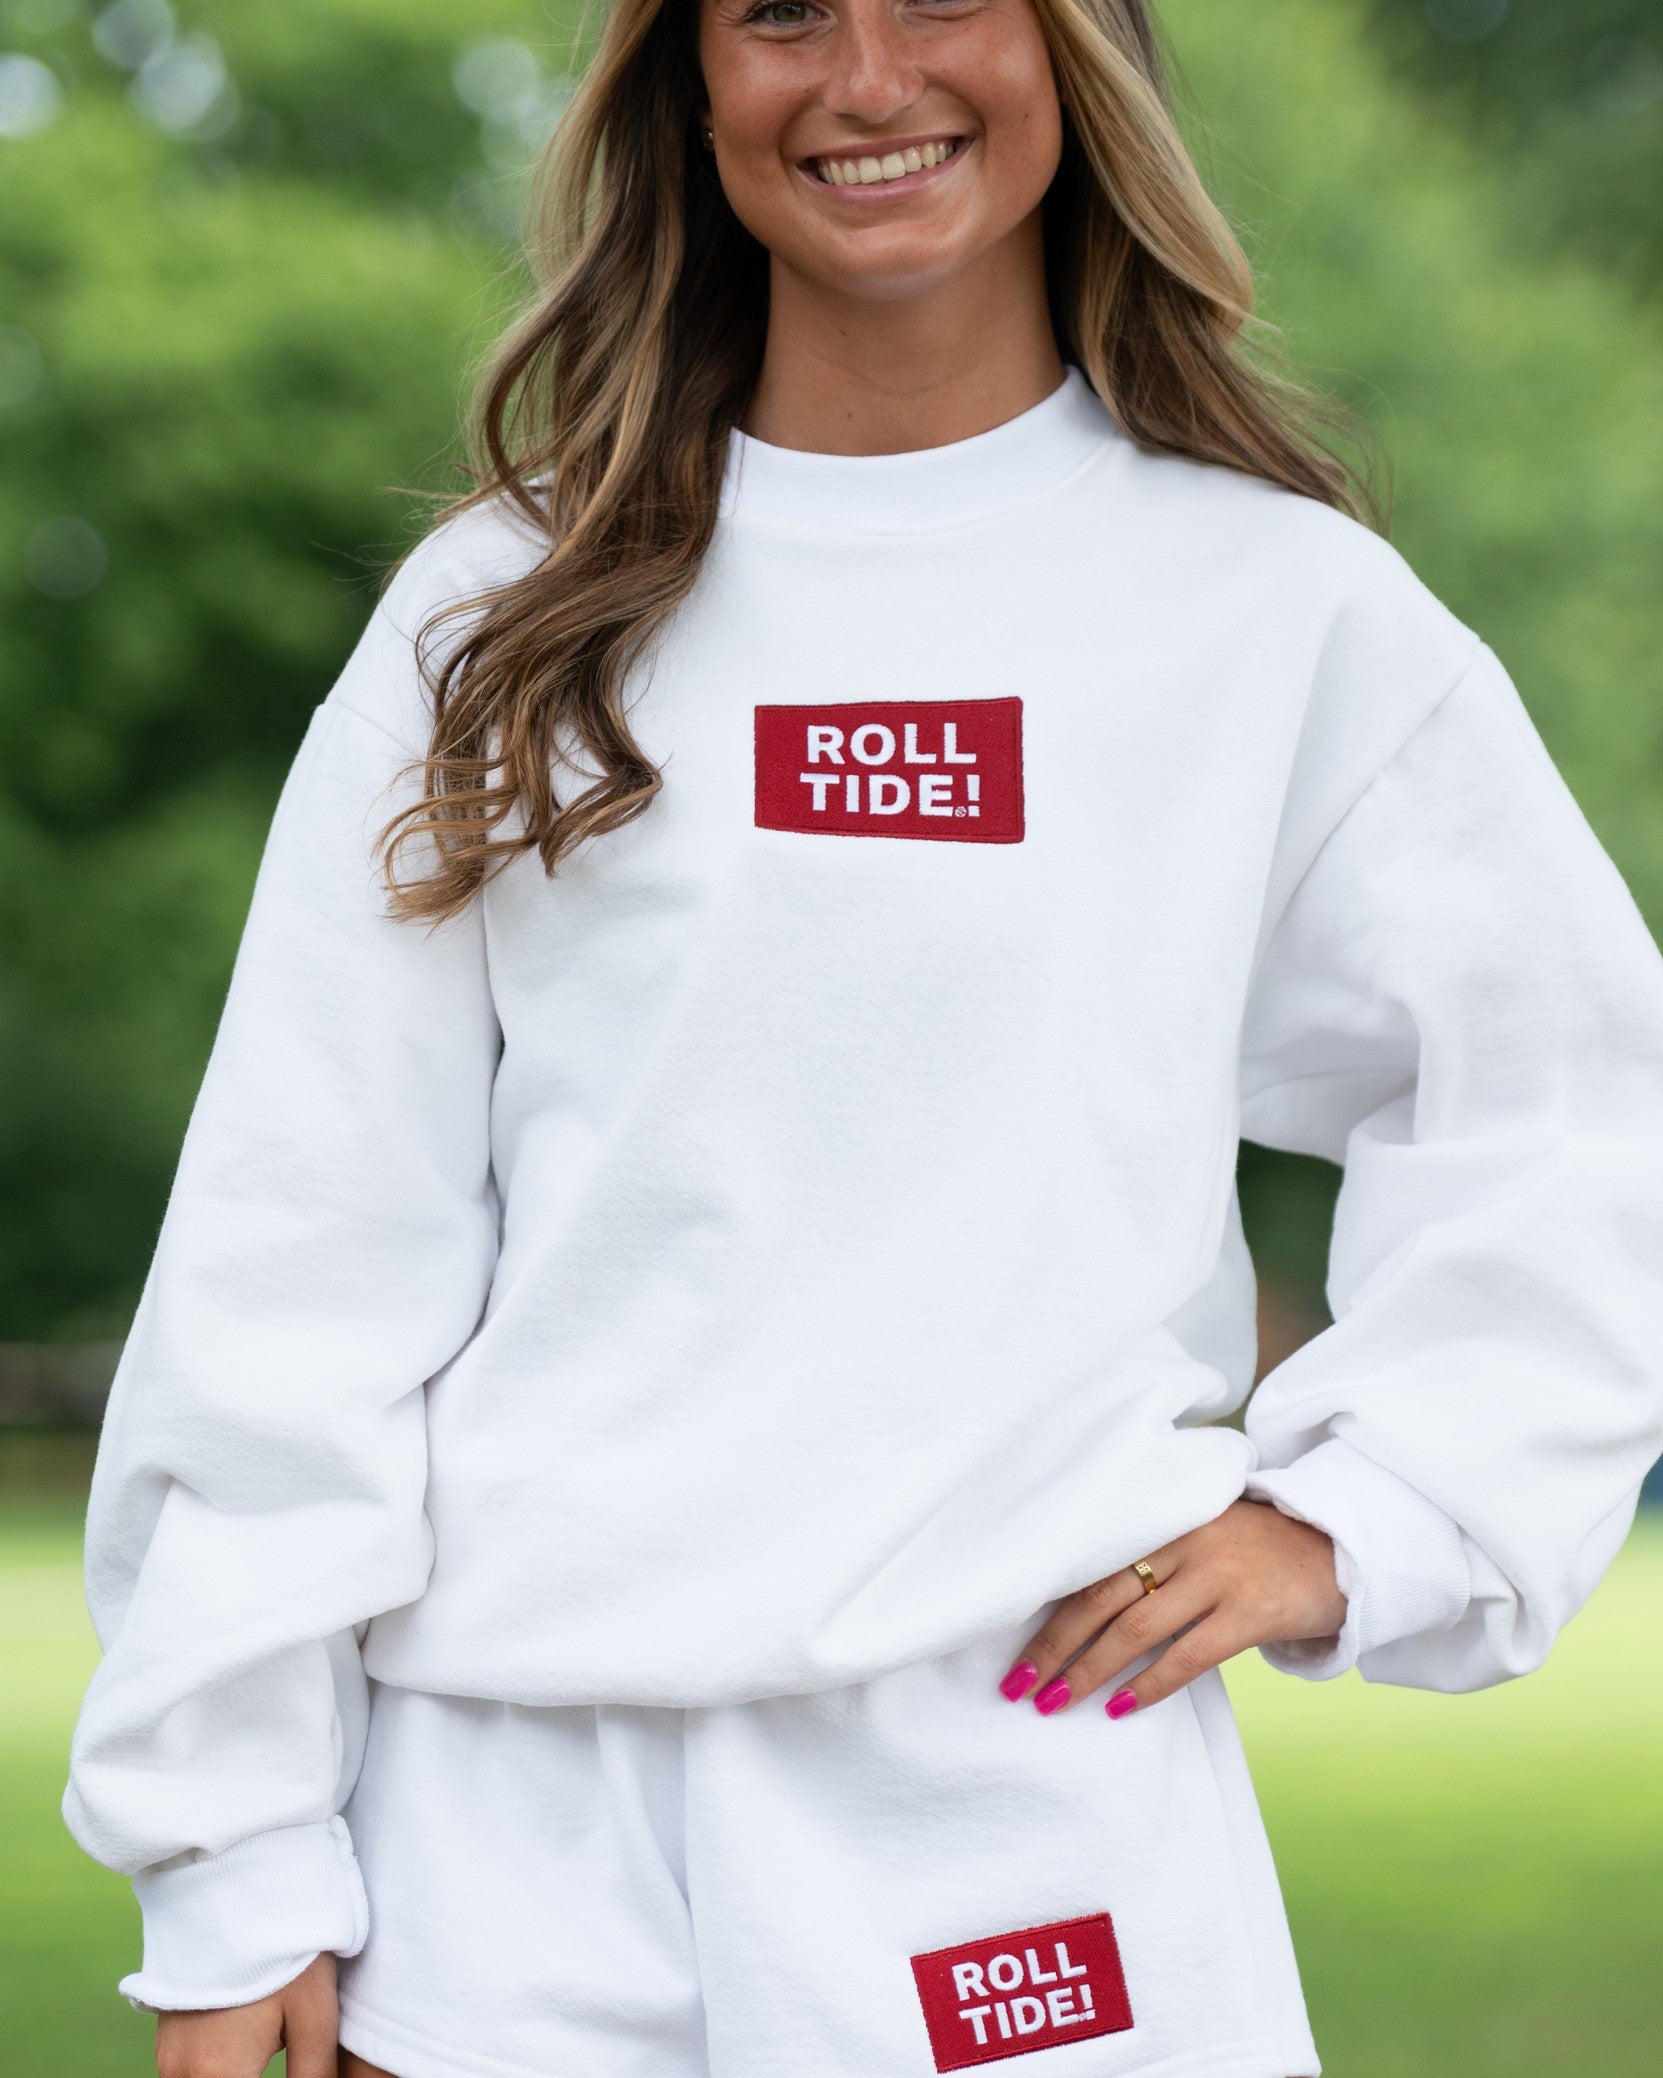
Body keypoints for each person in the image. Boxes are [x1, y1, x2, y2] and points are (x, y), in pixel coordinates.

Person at [62, 0, 1663, 2074]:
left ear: (1072, 56)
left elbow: (1573, 1100)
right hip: (508, 1887)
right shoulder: (498, 620)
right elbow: (304, 1251)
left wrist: (1386, 1519)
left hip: (1040, 1845)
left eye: (943, 0)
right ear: (689, 83)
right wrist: (232, 1861)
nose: (867, 74)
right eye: (782, 11)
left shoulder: (1274, 613)